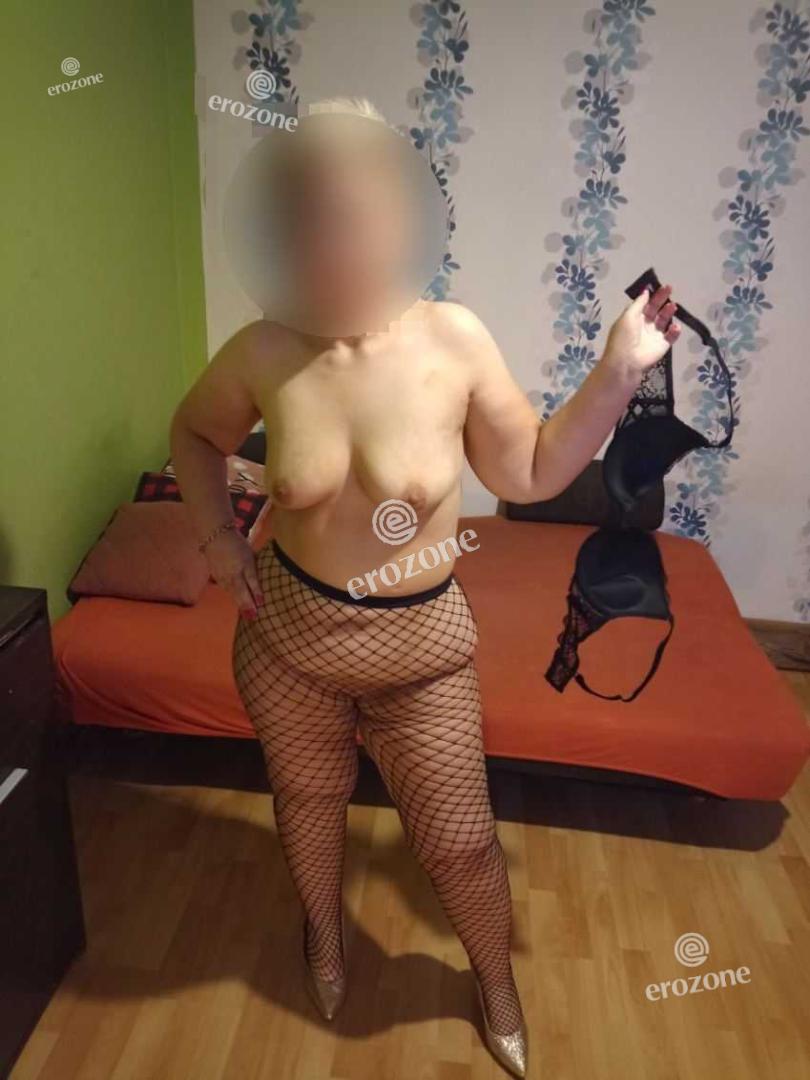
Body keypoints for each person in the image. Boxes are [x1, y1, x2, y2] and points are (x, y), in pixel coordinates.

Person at [169, 97, 681, 1079]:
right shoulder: (263, 348)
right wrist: (217, 540)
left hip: (420, 650)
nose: (338, 243)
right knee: (305, 805)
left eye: (357, 218)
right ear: (284, 231)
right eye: (314, 219)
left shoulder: (453, 338)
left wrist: (618, 372)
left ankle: (495, 983)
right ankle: (324, 939)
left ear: (400, 222)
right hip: (285, 638)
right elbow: (193, 433)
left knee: (461, 845)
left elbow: (531, 470)